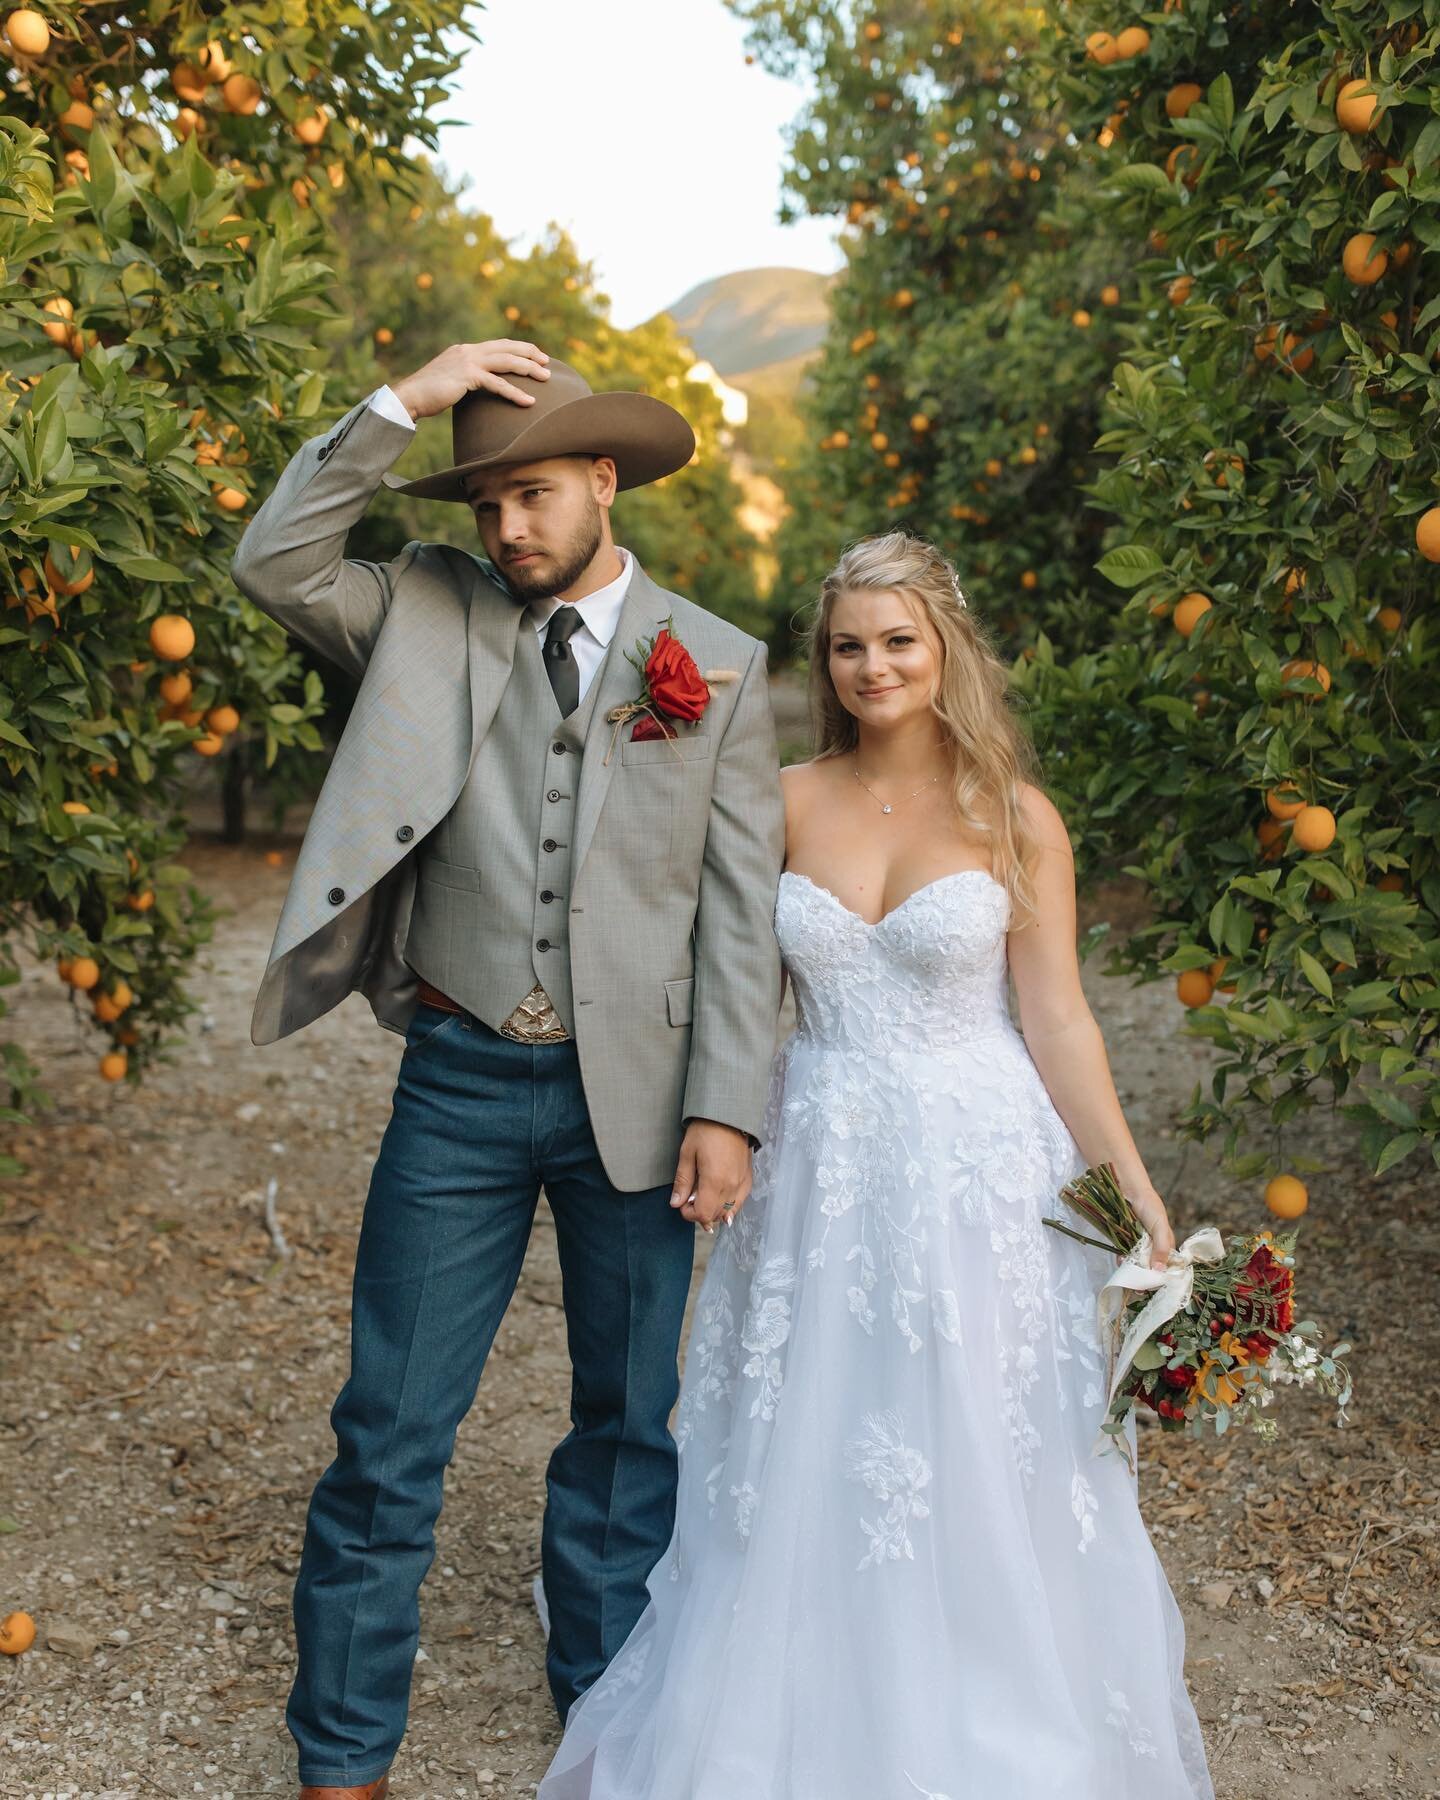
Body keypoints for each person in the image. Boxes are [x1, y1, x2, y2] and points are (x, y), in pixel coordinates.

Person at [538, 530, 1215, 1799]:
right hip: (822, 1158)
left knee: (977, 1425)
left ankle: (994, 1702)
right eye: (848, 645)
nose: (872, 665)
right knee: (809, 1429)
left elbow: (1058, 1014)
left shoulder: (1016, 815)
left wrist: (1130, 1187)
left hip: (981, 1162)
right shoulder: (783, 798)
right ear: (823, 660)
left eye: (898, 640)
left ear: (946, 647)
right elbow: (718, 974)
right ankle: (794, 1692)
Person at [229, 340, 785, 1800]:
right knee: (390, 1424)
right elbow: (273, 559)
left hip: (647, 1100)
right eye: (484, 505)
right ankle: (342, 1753)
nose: (507, 530)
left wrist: (731, 1104)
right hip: (462, 1081)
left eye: (531, 495)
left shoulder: (718, 663)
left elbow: (740, 912)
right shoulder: (420, 607)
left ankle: (605, 1733)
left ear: (604, 482)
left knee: (624, 1426)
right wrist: (401, 401)